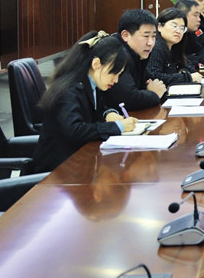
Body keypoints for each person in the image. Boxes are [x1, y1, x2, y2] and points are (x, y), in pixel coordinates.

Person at [33, 32, 136, 173]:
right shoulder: (70, 90)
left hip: (78, 161)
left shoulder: (91, 82)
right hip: (58, 171)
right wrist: (117, 127)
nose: (116, 80)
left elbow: (98, 108)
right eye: (114, 73)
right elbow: (75, 131)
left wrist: (108, 113)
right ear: (96, 64)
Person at [105, 9, 167, 111]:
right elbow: (128, 99)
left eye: (154, 36)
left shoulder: (137, 53)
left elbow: (151, 81)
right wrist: (154, 94)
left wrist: (155, 89)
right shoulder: (114, 54)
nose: (150, 43)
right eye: (146, 36)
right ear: (125, 35)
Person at [145, 8, 203, 86]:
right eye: (174, 26)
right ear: (159, 26)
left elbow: (190, 67)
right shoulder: (156, 47)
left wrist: (182, 71)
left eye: (182, 28)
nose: (178, 31)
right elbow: (154, 77)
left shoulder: (174, 48)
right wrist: (186, 77)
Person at [173, 0, 204, 67]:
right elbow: (178, 59)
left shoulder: (189, 33)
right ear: (182, 16)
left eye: (199, 16)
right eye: (195, 15)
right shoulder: (173, 34)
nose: (199, 19)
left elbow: (201, 50)